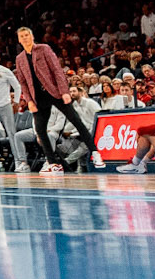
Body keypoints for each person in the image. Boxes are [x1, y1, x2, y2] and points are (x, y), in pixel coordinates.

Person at [14, 24, 100, 176]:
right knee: (40, 130)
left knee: (76, 120)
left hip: (54, 92)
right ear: (19, 40)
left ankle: (95, 152)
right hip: (37, 98)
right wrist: (29, 101)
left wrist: (64, 91)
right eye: (22, 36)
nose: (25, 38)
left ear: (32, 36)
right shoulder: (19, 59)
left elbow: (57, 70)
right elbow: (23, 82)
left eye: (27, 35)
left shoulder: (43, 49)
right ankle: (53, 163)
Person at [0, 49, 25, 169]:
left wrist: (16, 102)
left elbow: (17, 86)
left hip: (5, 106)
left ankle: (18, 160)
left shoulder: (5, 71)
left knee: (11, 133)